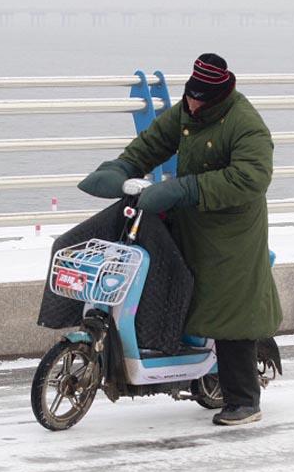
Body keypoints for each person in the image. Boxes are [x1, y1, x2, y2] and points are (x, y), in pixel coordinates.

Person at [78, 53, 282, 426]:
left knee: (228, 307)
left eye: (201, 98)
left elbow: (252, 178)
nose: (192, 103)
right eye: (190, 95)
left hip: (231, 230)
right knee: (168, 274)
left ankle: (244, 401)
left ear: (221, 95)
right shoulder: (188, 111)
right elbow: (152, 144)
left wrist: (185, 189)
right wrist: (121, 168)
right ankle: (175, 358)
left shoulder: (246, 124)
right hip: (191, 219)